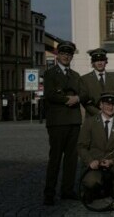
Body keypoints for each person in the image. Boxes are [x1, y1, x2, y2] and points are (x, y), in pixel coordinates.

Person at [43, 41, 86, 205]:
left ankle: (67, 190)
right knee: (55, 158)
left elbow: (83, 93)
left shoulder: (75, 75)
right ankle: (49, 192)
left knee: (71, 158)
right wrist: (68, 99)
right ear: (58, 55)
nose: (66, 57)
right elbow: (50, 95)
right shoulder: (50, 74)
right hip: (57, 122)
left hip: (74, 121)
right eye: (63, 54)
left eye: (69, 55)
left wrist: (78, 98)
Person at [77, 92, 114, 203]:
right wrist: (90, 161)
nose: (110, 107)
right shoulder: (89, 122)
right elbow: (81, 146)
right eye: (107, 104)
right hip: (95, 161)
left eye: (113, 105)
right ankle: (92, 191)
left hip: (113, 161)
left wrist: (112, 161)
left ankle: (113, 187)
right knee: (91, 181)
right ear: (100, 105)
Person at [81, 48, 114, 118]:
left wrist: (110, 111)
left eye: (102, 60)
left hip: (111, 117)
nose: (99, 63)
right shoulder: (85, 79)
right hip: (93, 118)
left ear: (106, 61)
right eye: (96, 60)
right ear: (92, 63)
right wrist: (99, 113)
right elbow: (84, 100)